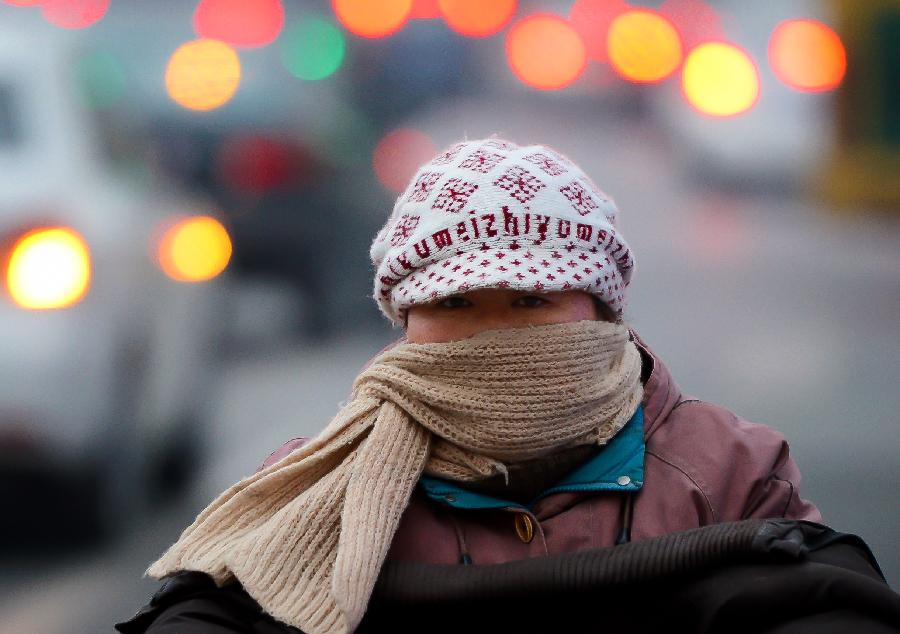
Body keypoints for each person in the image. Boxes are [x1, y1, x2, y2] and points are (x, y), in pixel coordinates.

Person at [117, 138, 896, 634]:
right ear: (404, 321)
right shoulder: (317, 486)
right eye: (454, 305)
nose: (494, 335)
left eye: (531, 301)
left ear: (600, 309)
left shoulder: (731, 470)